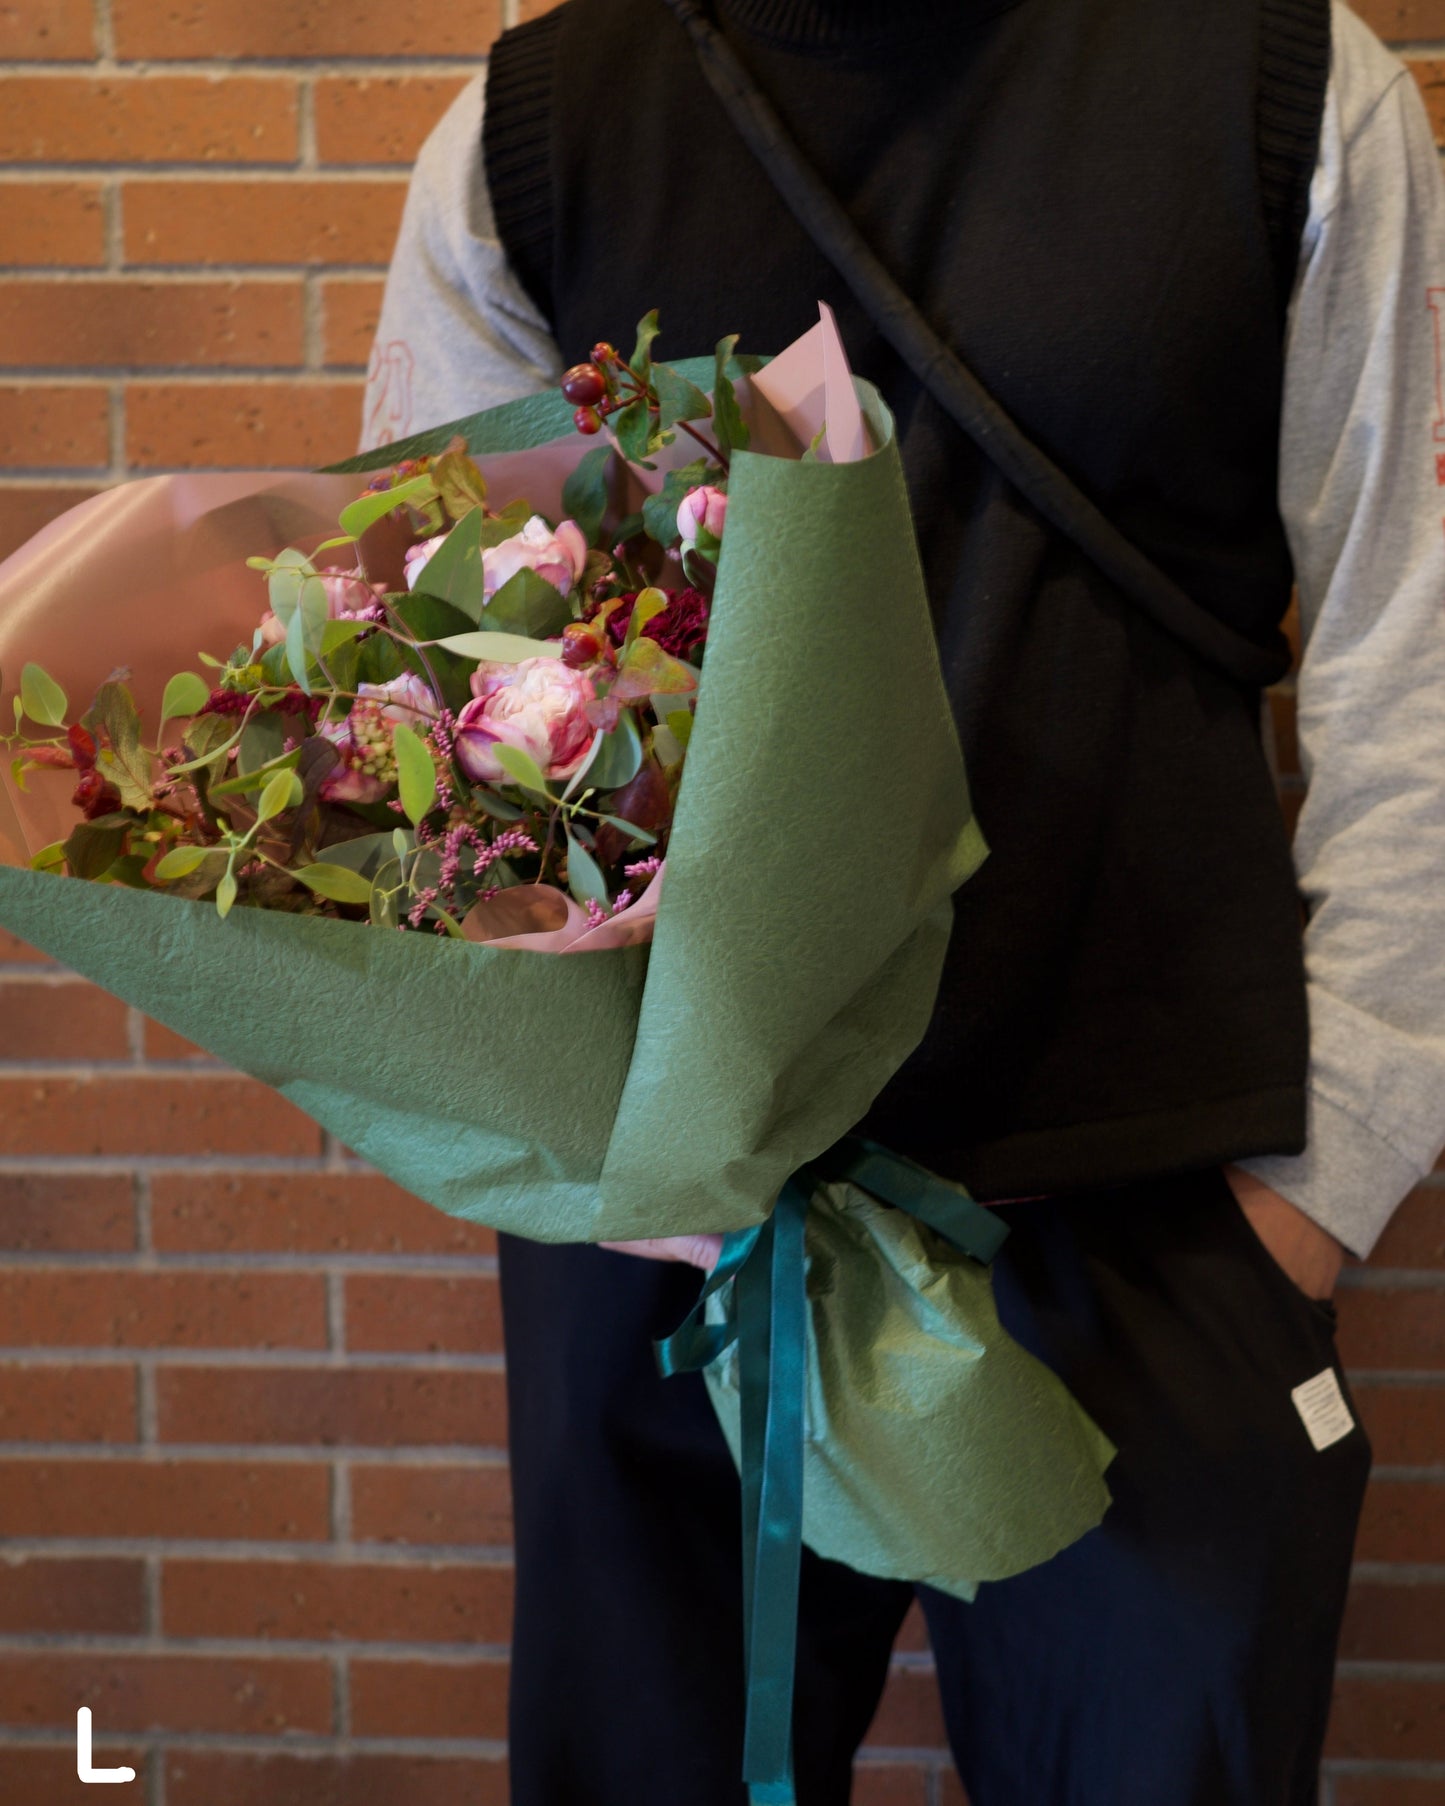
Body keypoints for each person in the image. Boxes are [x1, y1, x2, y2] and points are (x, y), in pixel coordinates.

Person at [362, 1, 1445, 1799]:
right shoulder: (536, 132)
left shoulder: (1288, 86)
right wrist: (587, 1166)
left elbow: (1406, 663)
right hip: (665, 1232)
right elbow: (428, 708)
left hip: (1163, 1208)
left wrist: (1312, 1199)